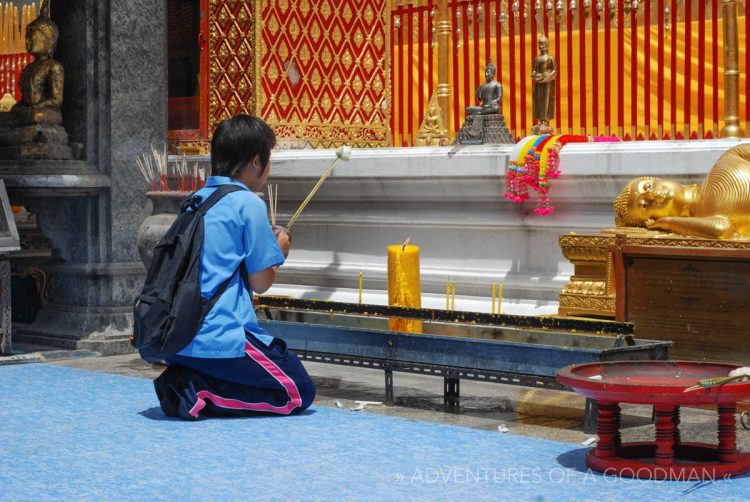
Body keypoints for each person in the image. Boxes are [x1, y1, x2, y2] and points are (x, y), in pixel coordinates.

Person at [153, 114, 316, 419]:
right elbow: (261, 283)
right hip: (219, 335)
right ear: (257, 161)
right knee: (297, 391)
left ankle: (187, 380)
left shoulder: (197, 199)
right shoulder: (248, 203)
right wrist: (280, 250)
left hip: (178, 335)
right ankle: (197, 389)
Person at [613, 144, 750, 239]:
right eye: (644, 205)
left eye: (648, 186)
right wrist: (670, 223)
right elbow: (721, 230)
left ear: (660, 179)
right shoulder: (710, 219)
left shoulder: (728, 158)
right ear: (653, 220)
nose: (650, 194)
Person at [0, 0, 64, 127]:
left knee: (36, 116)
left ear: (47, 40)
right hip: (26, 111)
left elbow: (56, 100)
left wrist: (37, 106)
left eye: (32, 36)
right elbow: (24, 100)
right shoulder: (29, 68)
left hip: (43, 111)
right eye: (26, 36)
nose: (27, 40)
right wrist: (16, 109)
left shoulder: (53, 66)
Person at [531, 36, 556, 133]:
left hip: (547, 82)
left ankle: (544, 120)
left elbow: (554, 71)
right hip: (538, 81)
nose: (541, 46)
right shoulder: (537, 58)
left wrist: (547, 78)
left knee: (546, 101)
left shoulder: (550, 58)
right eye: (539, 44)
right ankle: (539, 120)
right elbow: (535, 69)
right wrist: (534, 74)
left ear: (546, 45)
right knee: (538, 101)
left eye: (543, 44)